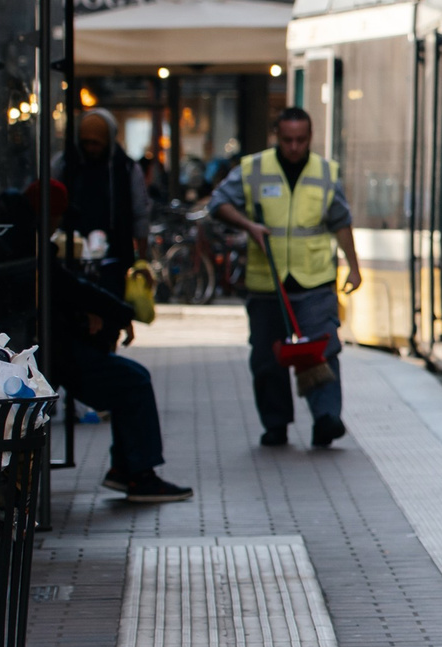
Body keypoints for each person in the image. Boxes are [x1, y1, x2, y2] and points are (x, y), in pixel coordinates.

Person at [210, 106, 362, 448]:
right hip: (268, 282)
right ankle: (275, 425)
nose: (294, 147)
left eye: (301, 140)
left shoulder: (324, 172)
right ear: (277, 136)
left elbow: (341, 220)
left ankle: (326, 419)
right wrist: (249, 226)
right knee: (267, 358)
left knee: (322, 352)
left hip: (315, 280)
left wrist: (353, 266)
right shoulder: (253, 169)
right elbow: (218, 203)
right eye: (288, 139)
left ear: (309, 137)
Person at [47, 249, 189, 503]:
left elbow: (67, 287)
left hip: (58, 343)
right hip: (54, 350)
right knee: (132, 381)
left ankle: (127, 469)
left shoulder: (35, 247)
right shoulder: (31, 245)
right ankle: (137, 474)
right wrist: (117, 312)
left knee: (134, 376)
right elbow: (68, 286)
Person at [54, 110, 150, 298]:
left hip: (114, 255)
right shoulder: (65, 164)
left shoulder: (126, 168)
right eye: (86, 142)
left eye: (96, 143)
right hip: (70, 252)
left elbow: (140, 213)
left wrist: (142, 260)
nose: (91, 148)